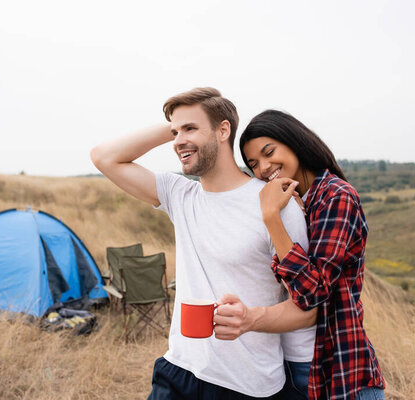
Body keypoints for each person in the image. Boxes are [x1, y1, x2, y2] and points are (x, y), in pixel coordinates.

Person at [91, 88, 316, 399]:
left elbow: (307, 309)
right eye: (175, 131)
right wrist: (177, 127)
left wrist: (249, 319)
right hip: (179, 369)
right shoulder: (180, 194)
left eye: (191, 128)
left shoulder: (276, 204)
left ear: (223, 130)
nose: (178, 140)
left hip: (246, 384)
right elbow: (104, 157)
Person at [219, 109, 386, 400]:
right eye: (254, 163)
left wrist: (271, 218)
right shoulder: (295, 203)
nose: (264, 168)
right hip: (290, 366)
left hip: (338, 367)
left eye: (269, 152)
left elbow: (312, 294)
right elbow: (284, 281)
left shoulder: (336, 196)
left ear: (293, 140)